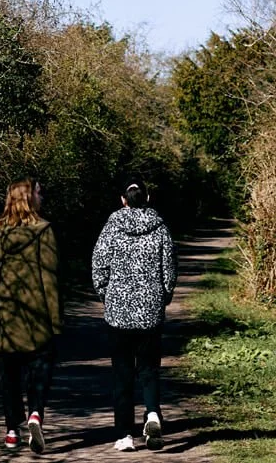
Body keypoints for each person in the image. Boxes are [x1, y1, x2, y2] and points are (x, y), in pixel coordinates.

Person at [91, 182, 177, 452]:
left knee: (122, 374)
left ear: (122, 200)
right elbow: (169, 270)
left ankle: (124, 435)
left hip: (118, 312)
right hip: (150, 311)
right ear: (148, 198)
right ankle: (152, 413)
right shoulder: (160, 228)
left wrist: (107, 296)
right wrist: (162, 298)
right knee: (149, 369)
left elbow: (98, 266)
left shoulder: (111, 228)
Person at [0, 179, 60, 454]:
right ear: (28, 197)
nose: (42, 195)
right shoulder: (44, 230)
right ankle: (35, 413)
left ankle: (12, 429)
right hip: (36, 314)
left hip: (4, 314)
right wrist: (56, 320)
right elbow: (49, 278)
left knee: (9, 373)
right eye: (38, 191)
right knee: (41, 368)